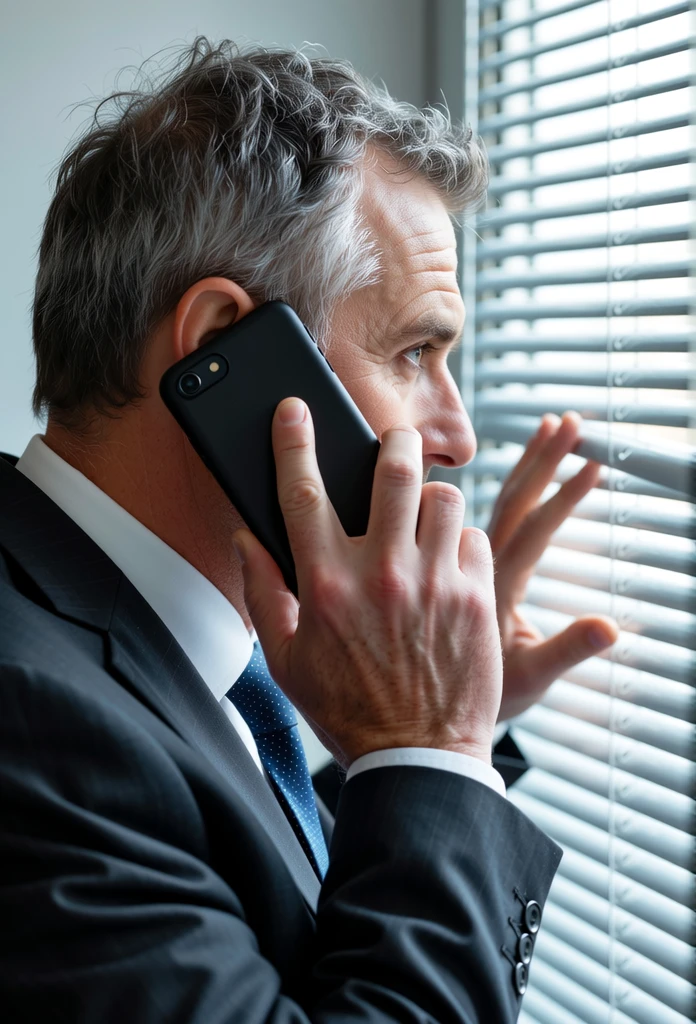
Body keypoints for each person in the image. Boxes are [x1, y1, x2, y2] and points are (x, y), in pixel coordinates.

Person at [0, 39, 618, 1022]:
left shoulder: (145, 656)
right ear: (223, 355)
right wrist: (429, 745)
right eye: (416, 350)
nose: (458, 434)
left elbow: (260, 901)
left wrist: (445, 733)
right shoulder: (32, 726)